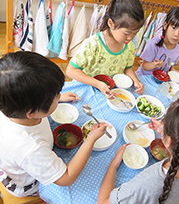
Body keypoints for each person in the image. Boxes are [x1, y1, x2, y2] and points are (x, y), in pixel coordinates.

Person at [0, 51, 107, 197]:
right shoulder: (31, 148)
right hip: (27, 183)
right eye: (55, 96)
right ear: (31, 113)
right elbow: (67, 178)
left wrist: (57, 98)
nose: (58, 96)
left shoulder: (10, 103)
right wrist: (90, 140)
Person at [97, 94, 179, 204]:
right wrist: (165, 132)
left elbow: (103, 202)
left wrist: (113, 165)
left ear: (170, 140)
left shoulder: (148, 184)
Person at [66, 0, 145, 99]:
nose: (131, 38)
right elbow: (71, 71)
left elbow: (128, 67)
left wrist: (136, 81)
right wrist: (97, 83)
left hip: (108, 91)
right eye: (126, 33)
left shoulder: (129, 46)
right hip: (86, 88)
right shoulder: (93, 44)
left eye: (135, 33)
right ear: (111, 23)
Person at [135, 7, 179, 76]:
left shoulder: (178, 50)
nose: (176, 34)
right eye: (173, 28)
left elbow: (170, 66)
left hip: (160, 80)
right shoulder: (153, 44)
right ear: (165, 25)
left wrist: (173, 71)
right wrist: (154, 64)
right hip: (144, 78)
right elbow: (144, 66)